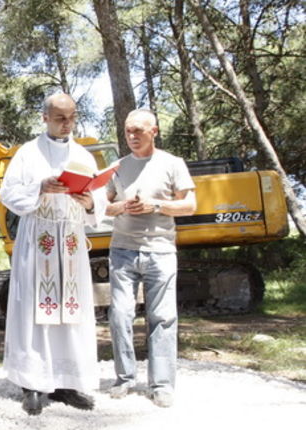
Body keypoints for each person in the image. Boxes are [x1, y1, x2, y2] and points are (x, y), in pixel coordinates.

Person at [0, 93, 103, 416]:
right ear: (44, 117)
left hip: (70, 242)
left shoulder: (84, 155)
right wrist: (40, 187)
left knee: (71, 312)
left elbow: (98, 199)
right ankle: (33, 383)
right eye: (59, 117)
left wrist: (89, 202)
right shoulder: (28, 154)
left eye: (71, 117)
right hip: (39, 239)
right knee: (35, 309)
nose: (66, 123)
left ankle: (68, 381)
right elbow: (8, 193)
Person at [104, 108, 196, 408]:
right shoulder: (117, 167)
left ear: (153, 131)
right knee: (119, 315)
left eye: (138, 131)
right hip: (122, 250)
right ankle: (125, 378)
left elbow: (191, 206)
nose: (131, 136)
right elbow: (105, 207)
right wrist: (123, 207)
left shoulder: (173, 163)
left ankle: (162, 385)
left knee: (163, 318)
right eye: (128, 131)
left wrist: (155, 204)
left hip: (161, 251)